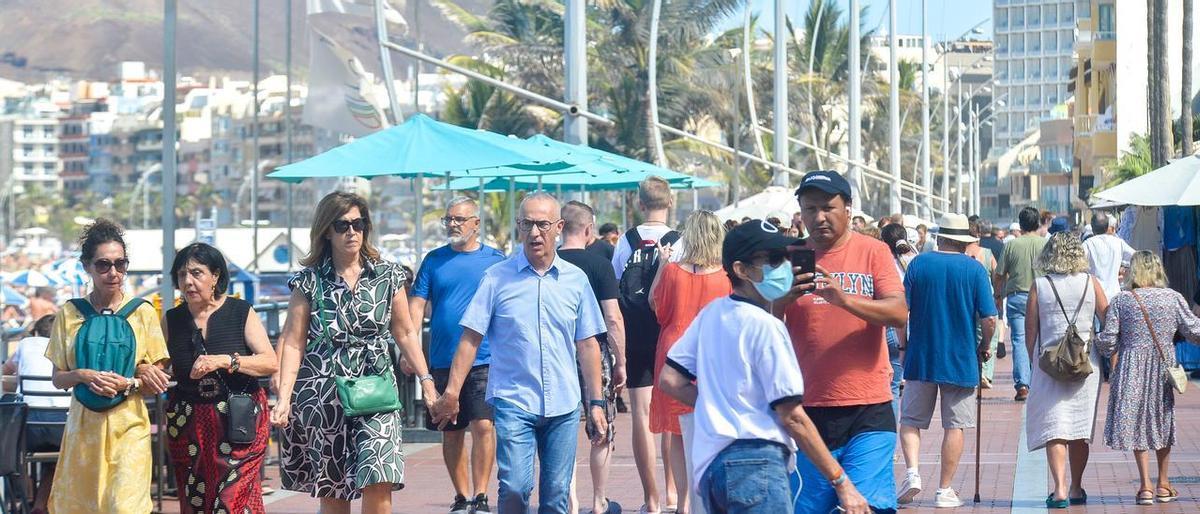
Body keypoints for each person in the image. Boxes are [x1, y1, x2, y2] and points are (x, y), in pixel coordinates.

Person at [657, 219, 870, 514]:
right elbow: (792, 416)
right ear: (741, 270)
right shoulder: (766, 326)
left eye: (784, 257)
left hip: (712, 464)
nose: (782, 266)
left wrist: (719, 405)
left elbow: (670, 379)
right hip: (756, 463)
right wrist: (840, 481)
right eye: (771, 259)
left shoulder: (712, 314)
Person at [431, 193, 609, 513]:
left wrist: (595, 402)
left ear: (558, 227)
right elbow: (471, 337)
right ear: (518, 227)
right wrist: (451, 393)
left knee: (555, 495)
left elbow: (587, 344)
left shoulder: (576, 281)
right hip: (514, 400)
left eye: (542, 224)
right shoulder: (497, 278)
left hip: (564, 405)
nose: (534, 232)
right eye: (527, 224)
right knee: (514, 488)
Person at [272, 192, 437, 514]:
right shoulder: (308, 282)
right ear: (326, 231)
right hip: (324, 391)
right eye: (342, 225)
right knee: (335, 490)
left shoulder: (388, 276)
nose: (352, 232)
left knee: (380, 474)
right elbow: (293, 342)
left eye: (359, 224)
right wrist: (284, 398)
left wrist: (427, 382)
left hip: (377, 388)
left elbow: (404, 332)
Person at [778, 170, 908, 513]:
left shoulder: (873, 252)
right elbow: (762, 325)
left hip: (869, 405)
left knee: (864, 507)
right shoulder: (788, 257)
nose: (818, 217)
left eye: (827, 207)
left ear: (847, 208)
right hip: (808, 410)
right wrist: (785, 298)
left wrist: (845, 299)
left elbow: (899, 312)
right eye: (809, 209)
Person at [45, 218, 170, 514]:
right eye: (103, 264)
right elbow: (58, 379)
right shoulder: (69, 314)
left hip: (129, 426)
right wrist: (82, 375)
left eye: (120, 264)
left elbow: (160, 377)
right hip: (84, 430)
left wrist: (131, 381)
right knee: (84, 506)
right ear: (87, 266)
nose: (113, 273)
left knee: (125, 506)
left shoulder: (142, 312)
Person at [163, 242, 278, 514]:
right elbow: (161, 366)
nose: (188, 281)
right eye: (181, 275)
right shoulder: (172, 320)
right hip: (188, 426)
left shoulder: (240, 311)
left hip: (238, 424)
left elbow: (270, 362)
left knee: (229, 501)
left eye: (196, 273)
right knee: (195, 502)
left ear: (215, 276)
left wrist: (227, 360)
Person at [406, 197, 505, 514]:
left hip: (484, 358)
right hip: (441, 358)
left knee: (483, 426)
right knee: (450, 431)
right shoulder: (433, 261)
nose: (453, 225)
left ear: (476, 223)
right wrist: (411, 350)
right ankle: (461, 497)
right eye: (448, 219)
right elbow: (416, 308)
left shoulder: (495, 260)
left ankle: (481, 495)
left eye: (460, 219)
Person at [896, 213, 998, 508]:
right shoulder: (974, 269)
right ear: (964, 241)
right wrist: (985, 344)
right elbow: (989, 318)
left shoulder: (918, 264)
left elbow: (901, 313)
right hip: (961, 357)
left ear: (939, 237)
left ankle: (913, 472)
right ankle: (944, 489)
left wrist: (902, 346)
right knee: (955, 425)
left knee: (911, 420)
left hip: (922, 354)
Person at [1096, 251, 1200, 505]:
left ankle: (1145, 486)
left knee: (1136, 424)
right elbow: (1193, 330)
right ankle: (1164, 483)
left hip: (1130, 366)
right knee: (1162, 420)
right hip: (1162, 367)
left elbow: (1108, 341)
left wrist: (1096, 343)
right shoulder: (1172, 298)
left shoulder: (1122, 300)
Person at [648, 210, 731, 514]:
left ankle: (684, 501)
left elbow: (658, 309)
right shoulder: (727, 277)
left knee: (679, 433)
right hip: (712, 354)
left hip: (674, 353)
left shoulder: (672, 272)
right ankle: (705, 498)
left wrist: (662, 265)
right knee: (709, 427)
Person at [1024, 233, 1108, 508]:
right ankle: (1075, 487)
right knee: (1079, 427)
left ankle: (1058, 488)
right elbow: (1107, 317)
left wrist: (1033, 360)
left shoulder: (1040, 285)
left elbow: (1030, 331)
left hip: (1049, 364)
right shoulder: (1091, 282)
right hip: (1086, 364)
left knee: (1055, 426)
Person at [611, 176, 679, 513]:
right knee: (668, 413)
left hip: (634, 332)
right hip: (667, 332)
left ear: (639, 205)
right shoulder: (678, 242)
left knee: (640, 413)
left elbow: (615, 289)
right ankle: (670, 491)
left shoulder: (627, 240)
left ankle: (650, 498)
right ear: (670, 202)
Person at [558, 201, 628, 514]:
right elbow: (612, 318)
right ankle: (599, 500)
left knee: (562, 427)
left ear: (560, 227)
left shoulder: (549, 262)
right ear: (589, 230)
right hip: (595, 352)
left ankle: (569, 502)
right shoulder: (599, 263)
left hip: (557, 352)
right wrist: (621, 361)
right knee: (602, 426)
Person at [1, 314, 65, 513]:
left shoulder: (26, 344)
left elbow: (6, 370)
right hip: (63, 430)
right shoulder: (69, 345)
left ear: (36, 331)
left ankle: (27, 498)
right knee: (55, 458)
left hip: (28, 433)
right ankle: (41, 503)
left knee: (20, 450)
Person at [995, 206, 1047, 401]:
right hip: (1042, 296)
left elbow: (999, 275)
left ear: (1021, 224)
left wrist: (998, 296)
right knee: (1042, 339)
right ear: (1038, 223)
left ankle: (1022, 384)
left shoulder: (1011, 245)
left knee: (1019, 340)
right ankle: (1040, 381)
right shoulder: (1046, 244)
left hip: (1017, 297)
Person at [880, 223, 917, 416]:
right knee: (898, 385)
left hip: (886, 327)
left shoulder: (882, 265)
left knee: (886, 386)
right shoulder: (914, 263)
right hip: (910, 327)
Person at [965, 219, 1001, 388]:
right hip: (986, 300)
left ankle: (972, 370)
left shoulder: (962, 253)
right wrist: (998, 294)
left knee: (970, 336)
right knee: (990, 336)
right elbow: (997, 273)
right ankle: (985, 372)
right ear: (978, 235)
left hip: (967, 301)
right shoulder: (986, 253)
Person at [1082, 213, 1135, 306]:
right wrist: (1124, 268)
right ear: (1107, 227)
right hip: (1115, 296)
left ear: (1092, 228)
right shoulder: (1118, 243)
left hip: (1095, 297)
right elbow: (1136, 257)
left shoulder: (1087, 244)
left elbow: (1077, 263)